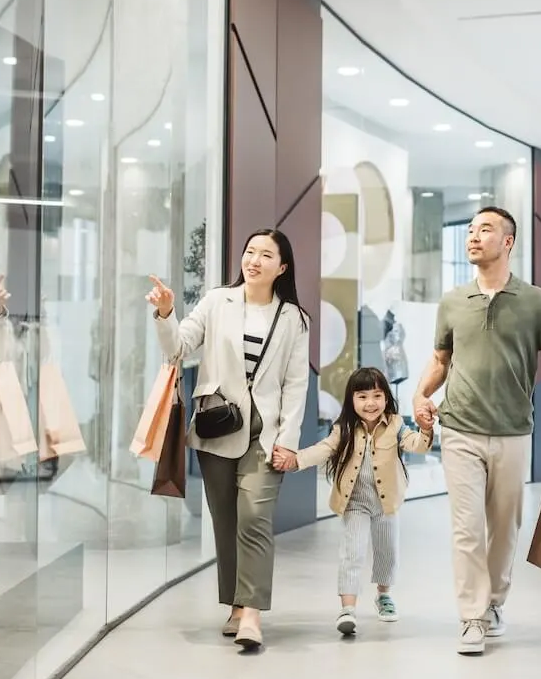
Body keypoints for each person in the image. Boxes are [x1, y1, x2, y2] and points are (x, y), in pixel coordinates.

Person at [412, 206, 541, 656]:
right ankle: (471, 615)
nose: (473, 236)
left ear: (507, 241)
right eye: (470, 229)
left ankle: (493, 603)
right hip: (460, 429)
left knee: (505, 528)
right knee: (467, 528)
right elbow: (440, 360)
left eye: (485, 229)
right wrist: (420, 395)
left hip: (512, 431)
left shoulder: (535, 301)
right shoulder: (453, 301)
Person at [147, 228, 310, 651]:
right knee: (226, 521)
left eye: (266, 255)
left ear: (282, 267)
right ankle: (235, 605)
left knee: (254, 516)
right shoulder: (218, 301)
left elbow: (296, 384)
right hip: (217, 425)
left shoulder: (294, 319)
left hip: (266, 432)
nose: (254, 260)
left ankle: (252, 612)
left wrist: (289, 439)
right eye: (250, 251)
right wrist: (165, 314)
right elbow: (178, 349)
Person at [276, 366, 433, 636]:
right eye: (362, 396)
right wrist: (296, 460)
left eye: (377, 396)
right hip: (355, 502)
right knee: (352, 553)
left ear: (386, 398)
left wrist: (426, 429)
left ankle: (384, 595)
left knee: (387, 552)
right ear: (351, 399)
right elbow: (324, 449)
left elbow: (416, 444)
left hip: (386, 502)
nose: (370, 403)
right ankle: (347, 608)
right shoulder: (344, 428)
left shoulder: (396, 425)